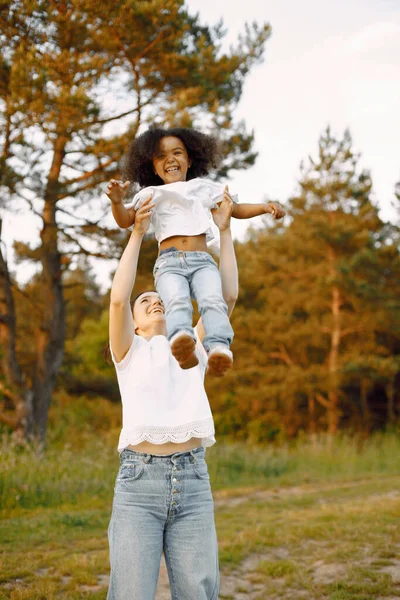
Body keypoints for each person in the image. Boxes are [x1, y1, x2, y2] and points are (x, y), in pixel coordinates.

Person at [106, 192, 238, 600]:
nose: (156, 301)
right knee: (131, 593)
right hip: (138, 483)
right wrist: (137, 234)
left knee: (199, 592)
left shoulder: (193, 346)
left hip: (194, 479)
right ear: (136, 321)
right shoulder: (129, 352)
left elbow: (227, 297)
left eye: (161, 298)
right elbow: (117, 298)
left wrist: (225, 230)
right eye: (146, 302)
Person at [107, 127, 285, 376]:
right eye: (161, 156)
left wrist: (265, 207)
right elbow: (126, 219)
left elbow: (235, 208)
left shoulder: (203, 188)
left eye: (177, 153)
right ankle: (181, 339)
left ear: (189, 160)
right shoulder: (150, 193)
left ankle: (219, 348)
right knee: (176, 300)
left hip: (203, 262)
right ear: (153, 168)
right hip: (168, 263)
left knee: (213, 301)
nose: (170, 159)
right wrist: (116, 201)